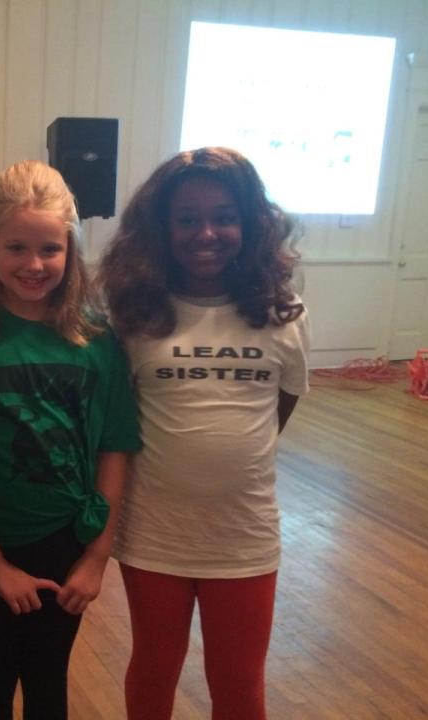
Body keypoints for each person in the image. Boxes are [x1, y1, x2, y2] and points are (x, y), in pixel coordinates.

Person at [0, 160, 141, 720]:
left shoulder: (98, 342)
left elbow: (116, 450)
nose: (34, 264)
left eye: (50, 249)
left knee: (48, 678)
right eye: (17, 248)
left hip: (68, 545)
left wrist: (96, 556)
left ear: (70, 250)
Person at [98, 146, 311, 719]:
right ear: (161, 228)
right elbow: (116, 422)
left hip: (244, 536)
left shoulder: (282, 313)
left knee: (240, 685)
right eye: (187, 219)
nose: (207, 233)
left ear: (251, 222)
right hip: (155, 535)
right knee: (154, 666)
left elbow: (277, 411)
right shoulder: (134, 313)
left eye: (225, 216)